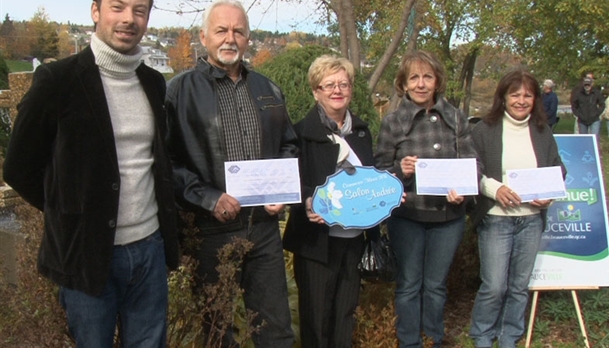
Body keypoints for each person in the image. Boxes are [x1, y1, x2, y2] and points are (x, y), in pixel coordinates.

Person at [2, 0, 179, 346]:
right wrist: (70, 214)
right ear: (95, 11)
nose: (129, 18)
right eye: (118, 7)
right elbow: (19, 167)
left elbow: (158, 160)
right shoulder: (58, 81)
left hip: (149, 250)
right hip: (86, 254)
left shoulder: (153, 83)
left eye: (139, 10)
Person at [165, 1, 295, 346]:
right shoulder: (179, 92)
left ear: (248, 38)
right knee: (216, 333)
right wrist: (207, 198)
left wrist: (279, 191)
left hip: (263, 228)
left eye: (238, 31)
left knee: (276, 330)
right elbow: (166, 162)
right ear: (204, 36)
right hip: (211, 231)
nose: (230, 38)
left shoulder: (268, 89)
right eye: (221, 30)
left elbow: (288, 145)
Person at [374, 50, 480, 348]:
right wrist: (400, 169)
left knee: (435, 285)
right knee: (409, 284)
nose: (421, 84)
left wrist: (465, 191)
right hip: (408, 217)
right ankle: (409, 341)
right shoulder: (393, 122)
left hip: (449, 218)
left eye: (427, 77)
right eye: (414, 78)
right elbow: (380, 172)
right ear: (403, 84)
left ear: (437, 82)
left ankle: (433, 337)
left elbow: (472, 164)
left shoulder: (456, 118)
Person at [282, 55, 375, 348]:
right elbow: (291, 181)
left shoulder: (361, 132)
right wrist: (310, 200)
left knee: (345, 314)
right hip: (316, 241)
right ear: (316, 91)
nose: (337, 90)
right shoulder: (300, 134)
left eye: (343, 84)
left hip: (353, 239)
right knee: (316, 318)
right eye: (329, 85)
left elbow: (371, 180)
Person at [469, 70, 566, 348]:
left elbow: (558, 168)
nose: (521, 100)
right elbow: (472, 171)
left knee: (519, 285)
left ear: (535, 99)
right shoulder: (484, 129)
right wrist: (494, 189)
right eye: (515, 94)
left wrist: (547, 193)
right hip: (497, 219)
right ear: (503, 97)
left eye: (527, 95)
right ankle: (483, 334)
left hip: (531, 220)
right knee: (495, 286)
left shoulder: (542, 131)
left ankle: (510, 335)